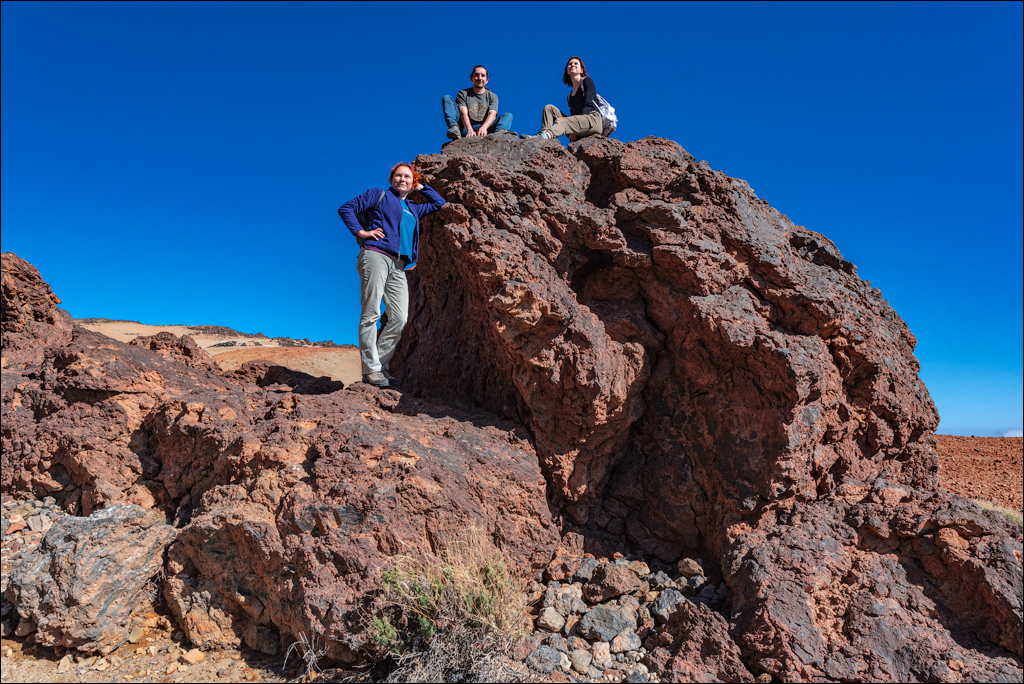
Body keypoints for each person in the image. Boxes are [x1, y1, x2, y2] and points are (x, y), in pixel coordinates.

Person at [337, 163, 446, 388]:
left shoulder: (415, 208)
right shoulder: (379, 195)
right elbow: (346, 208)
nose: (402, 179)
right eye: (398, 176)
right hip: (375, 255)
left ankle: (380, 364)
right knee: (371, 313)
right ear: (391, 179)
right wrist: (362, 232)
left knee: (399, 318)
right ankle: (371, 370)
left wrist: (420, 186)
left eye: (407, 177)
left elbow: (439, 202)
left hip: (400, 265)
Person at [521, 56, 603, 142]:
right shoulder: (569, 96)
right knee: (549, 108)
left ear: (581, 70)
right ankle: (544, 134)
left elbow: (588, 104)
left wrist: (574, 127)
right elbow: (573, 116)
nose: (572, 65)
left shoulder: (587, 81)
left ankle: (546, 136)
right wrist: (573, 128)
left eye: (576, 63)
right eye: (570, 64)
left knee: (563, 121)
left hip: (592, 121)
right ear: (567, 71)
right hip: (578, 126)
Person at [441, 65, 514, 140]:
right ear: (471, 78)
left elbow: (492, 114)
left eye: (482, 76)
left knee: (508, 115)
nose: (479, 78)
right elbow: (463, 113)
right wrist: (470, 130)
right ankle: (454, 128)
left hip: (485, 129)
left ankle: (499, 134)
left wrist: (483, 128)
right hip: (465, 127)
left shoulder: (492, 96)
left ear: (487, 80)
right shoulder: (463, 93)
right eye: (476, 75)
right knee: (447, 98)